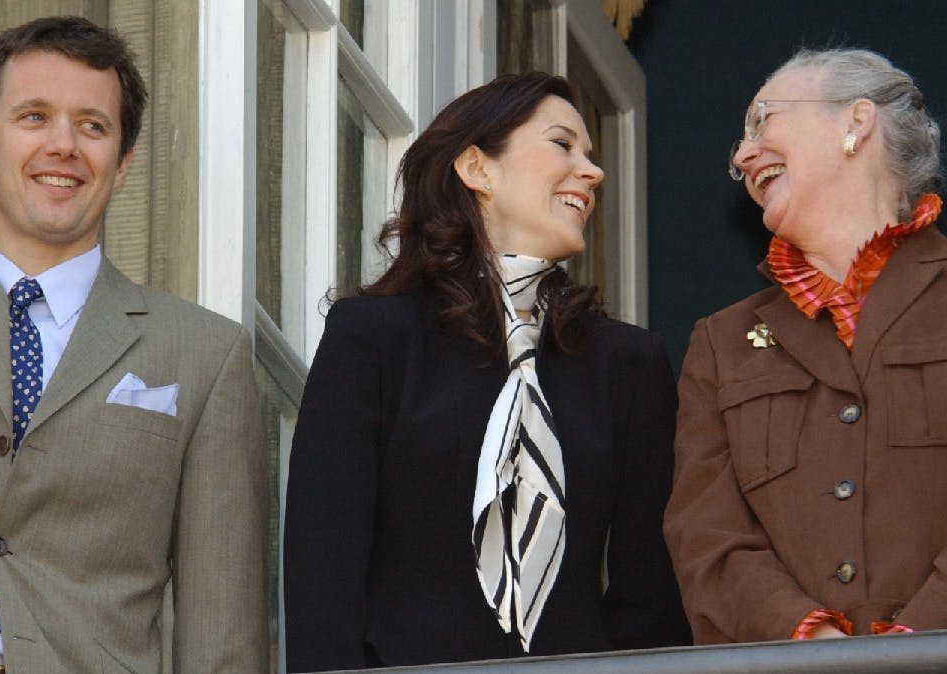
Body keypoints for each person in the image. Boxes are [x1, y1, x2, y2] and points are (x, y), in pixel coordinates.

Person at [0, 16, 268, 673]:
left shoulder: (204, 353)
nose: (64, 145)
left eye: (93, 126)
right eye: (33, 117)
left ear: (123, 163)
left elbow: (222, 637)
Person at [665, 47, 947, 644]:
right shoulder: (719, 342)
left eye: (763, 121)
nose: (742, 153)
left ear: (855, 123)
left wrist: (918, 642)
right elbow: (706, 536)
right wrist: (811, 643)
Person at [284, 71, 690, 671]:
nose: (592, 171)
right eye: (563, 144)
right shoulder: (371, 338)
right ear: (477, 168)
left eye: (591, 154)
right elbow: (323, 574)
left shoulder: (628, 364)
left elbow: (650, 599)